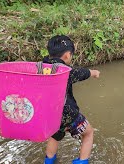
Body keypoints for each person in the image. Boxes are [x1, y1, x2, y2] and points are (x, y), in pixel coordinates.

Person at [43, 35, 100, 164]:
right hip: (68, 115)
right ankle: (82, 162)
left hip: (51, 115)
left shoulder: (41, 68)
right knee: (88, 133)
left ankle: (49, 161)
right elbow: (80, 73)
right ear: (68, 55)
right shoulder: (65, 71)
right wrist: (94, 72)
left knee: (55, 136)